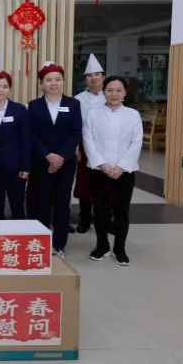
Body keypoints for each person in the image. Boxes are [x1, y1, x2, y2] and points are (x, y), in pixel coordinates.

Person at [83, 76, 142, 266]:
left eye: (118, 90)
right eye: (110, 90)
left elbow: (136, 142)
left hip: (124, 172)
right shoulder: (93, 114)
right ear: (104, 92)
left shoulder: (133, 115)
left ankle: (119, 248)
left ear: (125, 93)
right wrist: (102, 164)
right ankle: (102, 245)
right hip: (99, 171)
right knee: (100, 210)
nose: (114, 94)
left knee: (121, 211)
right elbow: (88, 140)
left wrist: (121, 167)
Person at [27, 62, 81, 258]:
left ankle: (59, 244)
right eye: (48, 80)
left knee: (61, 203)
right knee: (41, 201)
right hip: (41, 162)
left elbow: (76, 132)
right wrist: (48, 155)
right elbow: (31, 134)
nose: (53, 83)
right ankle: (41, 242)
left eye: (57, 79)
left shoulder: (73, 104)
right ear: (41, 84)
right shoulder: (34, 106)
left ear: (63, 82)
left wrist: (61, 157)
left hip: (65, 164)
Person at [0, 71, 31, 219]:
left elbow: (26, 140)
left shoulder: (19, 110)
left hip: (16, 167)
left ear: (9, 89)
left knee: (17, 205)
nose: (1, 90)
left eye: (5, 87)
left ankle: (18, 232)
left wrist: (26, 167)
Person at [74, 54, 107, 233]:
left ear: (103, 76)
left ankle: (105, 218)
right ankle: (84, 218)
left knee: (106, 183)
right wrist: (76, 148)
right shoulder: (78, 99)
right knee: (85, 184)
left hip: (106, 146)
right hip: (85, 146)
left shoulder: (110, 96)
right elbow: (74, 127)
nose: (93, 78)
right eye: (89, 75)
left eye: (97, 74)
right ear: (85, 79)